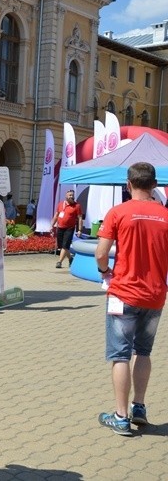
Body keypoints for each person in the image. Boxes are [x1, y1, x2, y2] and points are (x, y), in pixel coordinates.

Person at [95, 162, 168, 436]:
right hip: (154, 296)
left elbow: (101, 253)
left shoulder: (118, 212)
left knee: (120, 355)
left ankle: (121, 416)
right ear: (154, 185)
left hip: (123, 294)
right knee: (144, 351)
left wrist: (105, 273)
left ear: (129, 184)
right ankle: (139, 407)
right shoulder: (165, 216)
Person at [50, 189, 83, 269]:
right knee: (62, 246)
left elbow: (80, 218)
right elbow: (56, 215)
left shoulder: (77, 206)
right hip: (60, 227)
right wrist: (52, 226)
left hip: (70, 228)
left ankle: (59, 262)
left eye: (72, 195)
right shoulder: (61, 204)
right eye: (70, 195)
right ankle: (71, 259)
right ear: (66, 196)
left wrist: (79, 230)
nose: (72, 196)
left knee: (65, 246)